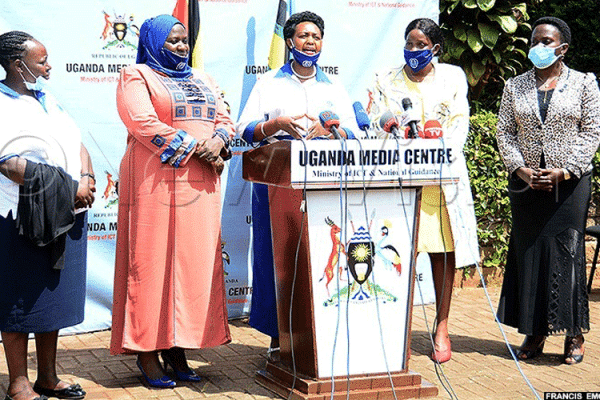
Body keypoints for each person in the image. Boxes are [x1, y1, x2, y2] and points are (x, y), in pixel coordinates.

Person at [110, 15, 233, 387]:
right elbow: (142, 123)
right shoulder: (137, 75)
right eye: (173, 41)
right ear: (154, 42)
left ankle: (178, 348)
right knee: (149, 265)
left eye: (184, 41)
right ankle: (147, 353)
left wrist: (219, 141)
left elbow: (224, 117)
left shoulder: (203, 78)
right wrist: (198, 146)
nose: (181, 47)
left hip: (199, 184)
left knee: (193, 267)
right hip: (154, 181)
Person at [236, 11, 359, 360]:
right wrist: (274, 124)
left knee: (319, 258)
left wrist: (332, 132)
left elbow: (356, 130)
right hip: (277, 184)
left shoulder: (333, 85)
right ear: (290, 41)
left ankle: (320, 334)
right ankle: (279, 336)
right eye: (304, 36)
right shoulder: (270, 82)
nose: (311, 42)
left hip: (325, 185)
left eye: (316, 36)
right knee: (278, 260)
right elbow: (243, 129)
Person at [368, 18, 480, 363]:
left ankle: (441, 328)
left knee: (443, 252)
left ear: (435, 49)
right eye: (409, 43)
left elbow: (459, 123)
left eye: (421, 45)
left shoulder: (452, 77)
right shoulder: (385, 78)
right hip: (399, 178)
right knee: (398, 252)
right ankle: (396, 329)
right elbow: (376, 118)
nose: (413, 51)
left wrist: (436, 146)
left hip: (441, 178)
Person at [496, 17, 600, 365]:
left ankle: (574, 334)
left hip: (569, 182)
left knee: (567, 252)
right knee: (530, 251)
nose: (538, 46)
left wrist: (565, 170)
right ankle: (534, 331)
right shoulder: (515, 85)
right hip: (526, 182)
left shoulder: (585, 84)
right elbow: (504, 133)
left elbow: (591, 133)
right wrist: (521, 169)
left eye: (546, 41)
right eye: (534, 40)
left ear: (562, 48)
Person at [0, 31, 95, 400]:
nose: (49, 67)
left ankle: (47, 377)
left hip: (66, 214)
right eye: (41, 62)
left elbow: (78, 141)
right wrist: (68, 188)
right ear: (16, 64)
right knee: (19, 299)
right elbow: (9, 165)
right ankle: (18, 382)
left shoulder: (46, 98)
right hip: (22, 216)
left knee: (50, 300)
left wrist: (85, 176)